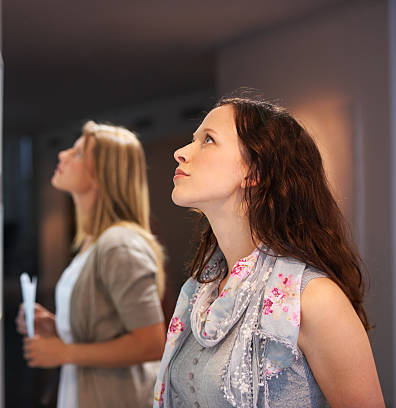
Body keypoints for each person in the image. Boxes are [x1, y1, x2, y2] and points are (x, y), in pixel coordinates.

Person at [153, 95, 385, 407]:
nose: (180, 153)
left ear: (255, 172)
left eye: (208, 139)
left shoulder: (312, 299)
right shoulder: (200, 293)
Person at [16, 121, 166, 408]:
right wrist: (58, 328)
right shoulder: (93, 242)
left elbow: (151, 343)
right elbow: (106, 332)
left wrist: (65, 352)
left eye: (78, 153)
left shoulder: (119, 244)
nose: (62, 155)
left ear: (104, 176)